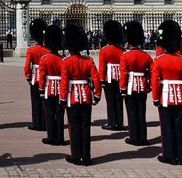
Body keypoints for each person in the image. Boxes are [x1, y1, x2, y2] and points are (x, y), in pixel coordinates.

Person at [59, 23, 101, 166]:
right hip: (86, 96)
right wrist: (97, 94)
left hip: (72, 97)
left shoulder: (66, 62)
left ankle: (76, 156)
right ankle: (86, 156)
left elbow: (64, 82)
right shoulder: (88, 61)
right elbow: (96, 78)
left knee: (74, 126)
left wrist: (63, 98)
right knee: (85, 126)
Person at [151, 20, 182, 165]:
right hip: (180, 97)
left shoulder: (159, 60)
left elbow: (155, 81)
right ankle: (181, 156)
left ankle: (169, 155)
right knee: (179, 127)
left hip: (165, 96)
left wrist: (155, 98)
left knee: (167, 126)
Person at [119, 20, 152, 146]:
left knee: (132, 112)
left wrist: (122, 88)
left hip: (130, 87)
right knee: (141, 112)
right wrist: (149, 85)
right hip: (142, 86)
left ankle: (134, 136)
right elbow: (151, 71)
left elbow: (124, 74)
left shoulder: (125, 56)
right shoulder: (146, 56)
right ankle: (143, 137)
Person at [38, 25, 64, 146]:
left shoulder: (44, 59)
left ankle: (51, 136)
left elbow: (42, 77)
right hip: (60, 89)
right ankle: (60, 137)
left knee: (49, 113)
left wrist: (41, 90)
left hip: (49, 88)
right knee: (60, 113)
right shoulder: (63, 59)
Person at [99, 20, 125, 131]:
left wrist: (101, 80)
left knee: (110, 101)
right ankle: (119, 122)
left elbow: (102, 66)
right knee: (119, 101)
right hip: (120, 78)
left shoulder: (104, 50)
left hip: (108, 78)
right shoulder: (122, 51)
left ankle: (112, 122)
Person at [24, 18, 49, 131]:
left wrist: (28, 77)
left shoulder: (31, 50)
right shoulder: (47, 50)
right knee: (45, 100)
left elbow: (27, 66)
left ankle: (36, 123)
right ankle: (45, 123)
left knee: (35, 101)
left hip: (35, 77)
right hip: (46, 78)